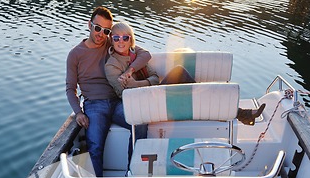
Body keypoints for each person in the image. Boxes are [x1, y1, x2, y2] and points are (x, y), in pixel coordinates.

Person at [105, 21, 265, 126]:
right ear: (111, 40)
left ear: (130, 40)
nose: (121, 41)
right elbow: (123, 93)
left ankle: (232, 111)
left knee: (180, 72)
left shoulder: (136, 55)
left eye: (125, 37)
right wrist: (140, 85)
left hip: (154, 94)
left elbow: (154, 78)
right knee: (184, 80)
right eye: (116, 37)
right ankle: (235, 113)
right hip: (143, 104)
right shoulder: (111, 66)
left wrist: (137, 83)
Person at [66, 6, 151, 177]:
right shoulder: (75, 54)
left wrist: (130, 71)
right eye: (97, 28)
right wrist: (78, 112)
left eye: (106, 31)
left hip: (118, 101)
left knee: (140, 123)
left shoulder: (112, 43)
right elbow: (70, 88)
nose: (101, 34)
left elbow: (145, 55)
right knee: (95, 147)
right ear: (89, 25)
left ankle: (131, 173)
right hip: (94, 105)